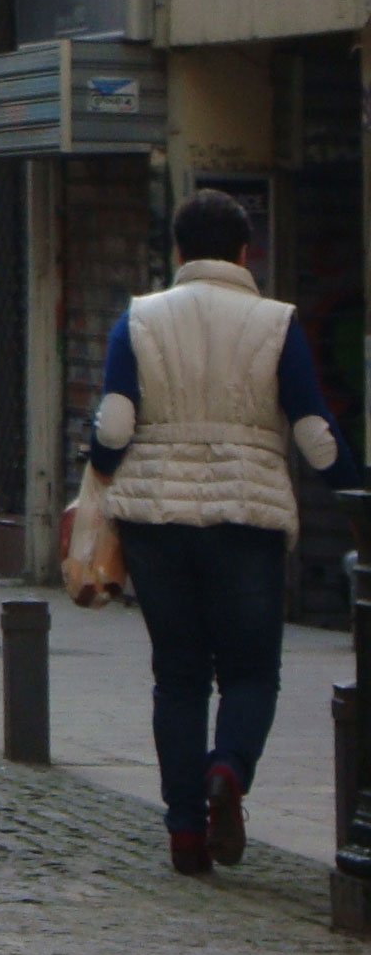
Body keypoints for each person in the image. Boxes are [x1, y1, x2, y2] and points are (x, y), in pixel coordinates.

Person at [92, 188, 364, 875]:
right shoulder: (277, 324)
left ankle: (185, 834)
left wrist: (97, 474)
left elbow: (116, 424)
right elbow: (313, 431)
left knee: (178, 676)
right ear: (247, 253)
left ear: (178, 252)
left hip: (156, 522)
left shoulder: (139, 320)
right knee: (251, 672)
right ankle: (230, 771)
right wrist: (356, 492)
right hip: (248, 519)